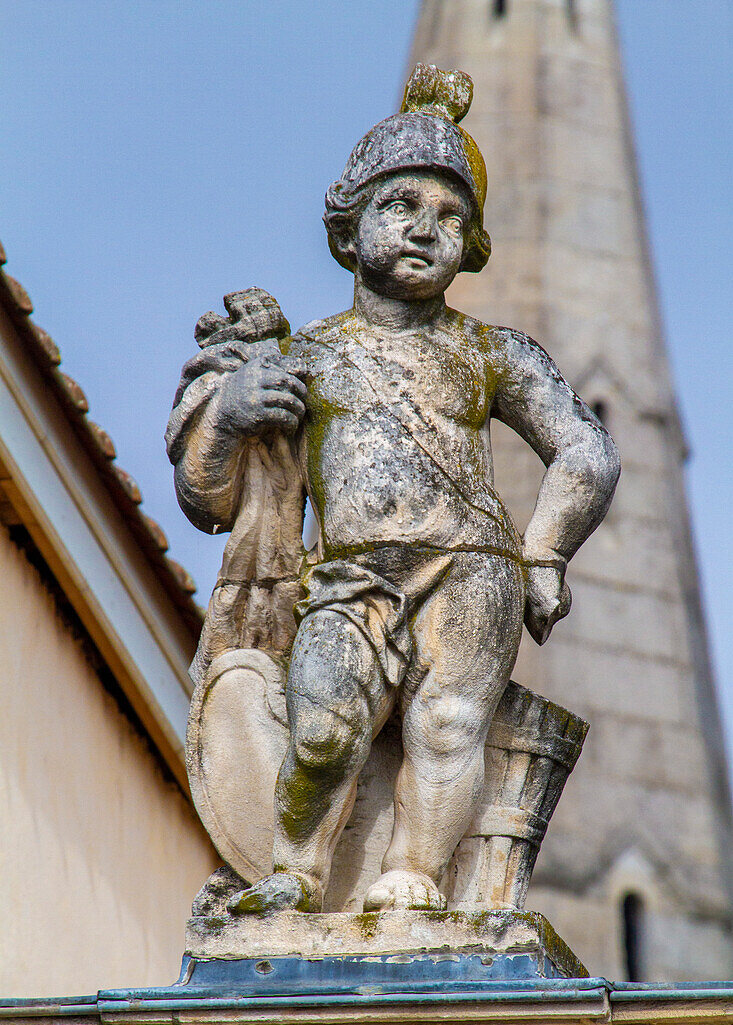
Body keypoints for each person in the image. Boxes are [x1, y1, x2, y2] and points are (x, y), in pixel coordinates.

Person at [168, 64, 620, 915]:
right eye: (399, 206)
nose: (425, 229)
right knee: (324, 730)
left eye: (451, 216)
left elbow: (584, 452)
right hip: (350, 576)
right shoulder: (306, 356)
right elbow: (210, 499)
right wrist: (229, 412)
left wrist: (545, 551)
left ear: (471, 245)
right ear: (348, 231)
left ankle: (412, 873)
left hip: (472, 569)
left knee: (448, 728)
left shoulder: (491, 352)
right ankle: (296, 870)